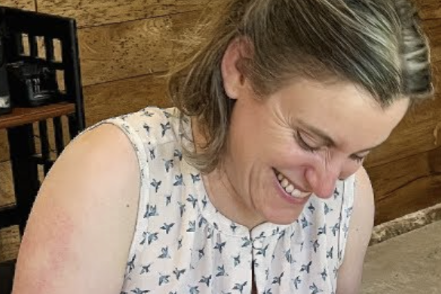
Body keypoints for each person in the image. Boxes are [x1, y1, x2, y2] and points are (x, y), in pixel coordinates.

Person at [12, 0, 433, 293]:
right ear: (241, 69)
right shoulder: (110, 176)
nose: (326, 187)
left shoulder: (349, 196)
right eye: (309, 140)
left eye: (358, 154)